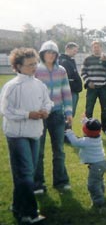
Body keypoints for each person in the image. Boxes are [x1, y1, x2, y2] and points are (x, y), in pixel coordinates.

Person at [0, 48, 52, 224]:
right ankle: (29, 213)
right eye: (30, 65)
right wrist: (27, 114)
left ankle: (17, 207)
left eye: (35, 63)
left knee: (25, 173)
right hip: (17, 134)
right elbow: (6, 110)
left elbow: (48, 101)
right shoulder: (12, 86)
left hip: (34, 132)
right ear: (18, 66)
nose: (34, 67)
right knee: (25, 174)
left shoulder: (39, 84)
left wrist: (46, 110)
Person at [34, 40, 73, 193]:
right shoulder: (36, 70)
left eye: (53, 52)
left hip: (57, 114)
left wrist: (69, 112)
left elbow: (66, 92)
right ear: (42, 54)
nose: (50, 55)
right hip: (40, 115)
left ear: (56, 55)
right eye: (47, 52)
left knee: (59, 150)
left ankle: (61, 181)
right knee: (39, 151)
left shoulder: (61, 70)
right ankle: (38, 184)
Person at [65, 118, 106, 208]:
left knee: (92, 184)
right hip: (103, 163)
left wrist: (69, 132)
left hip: (96, 166)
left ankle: (98, 201)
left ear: (87, 132)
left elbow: (75, 142)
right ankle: (101, 192)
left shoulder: (86, 141)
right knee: (99, 180)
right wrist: (85, 121)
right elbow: (92, 129)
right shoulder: (98, 137)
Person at [81, 41, 106, 136]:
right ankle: (87, 129)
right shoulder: (87, 59)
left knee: (105, 109)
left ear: (101, 48)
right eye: (94, 47)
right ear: (92, 48)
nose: (96, 49)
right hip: (92, 88)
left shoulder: (105, 59)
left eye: (98, 47)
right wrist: (88, 82)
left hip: (103, 87)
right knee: (89, 109)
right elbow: (83, 72)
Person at [58, 42, 83, 119]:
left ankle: (68, 129)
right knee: (68, 113)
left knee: (71, 113)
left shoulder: (70, 60)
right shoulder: (63, 61)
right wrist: (75, 86)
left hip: (74, 91)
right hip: (70, 92)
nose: (75, 53)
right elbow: (66, 79)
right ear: (67, 49)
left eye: (76, 51)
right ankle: (66, 130)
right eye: (74, 51)